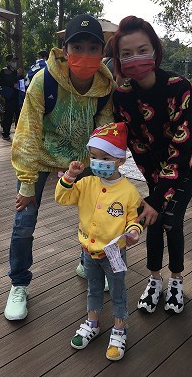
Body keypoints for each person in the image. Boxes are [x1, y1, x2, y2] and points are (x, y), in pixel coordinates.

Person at [3, 14, 115, 321]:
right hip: (39, 156)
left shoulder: (106, 87)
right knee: (24, 221)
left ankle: (87, 263)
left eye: (93, 48)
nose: (85, 54)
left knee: (95, 216)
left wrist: (104, 171)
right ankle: (19, 284)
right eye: (77, 47)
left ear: (102, 52)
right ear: (65, 50)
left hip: (82, 158)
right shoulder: (45, 81)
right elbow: (27, 133)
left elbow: (103, 132)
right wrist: (27, 183)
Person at [112, 15, 192, 314]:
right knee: (153, 216)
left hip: (191, 159)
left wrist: (158, 197)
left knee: (170, 216)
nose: (135, 58)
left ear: (155, 51)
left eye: (142, 50)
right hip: (155, 165)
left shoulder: (179, 87)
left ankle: (177, 279)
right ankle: (154, 279)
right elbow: (135, 145)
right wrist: (154, 191)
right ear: (118, 60)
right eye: (127, 53)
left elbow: (184, 146)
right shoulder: (122, 96)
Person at [54, 121, 143, 361]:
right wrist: (70, 176)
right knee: (93, 288)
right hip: (88, 250)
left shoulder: (129, 191)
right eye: (93, 157)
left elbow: (134, 219)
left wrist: (134, 231)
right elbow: (62, 198)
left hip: (114, 253)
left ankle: (119, 328)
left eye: (105, 158)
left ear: (120, 160)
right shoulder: (86, 183)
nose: (97, 162)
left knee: (117, 291)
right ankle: (92, 322)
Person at [0, 54, 21, 141]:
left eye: (15, 61)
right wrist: (12, 84)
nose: (14, 62)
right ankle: (6, 133)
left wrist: (19, 75)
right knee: (8, 115)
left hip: (17, 96)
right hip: (9, 97)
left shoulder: (16, 72)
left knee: (19, 115)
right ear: (8, 62)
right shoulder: (4, 71)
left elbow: (20, 81)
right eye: (12, 61)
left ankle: (19, 133)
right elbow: (1, 82)